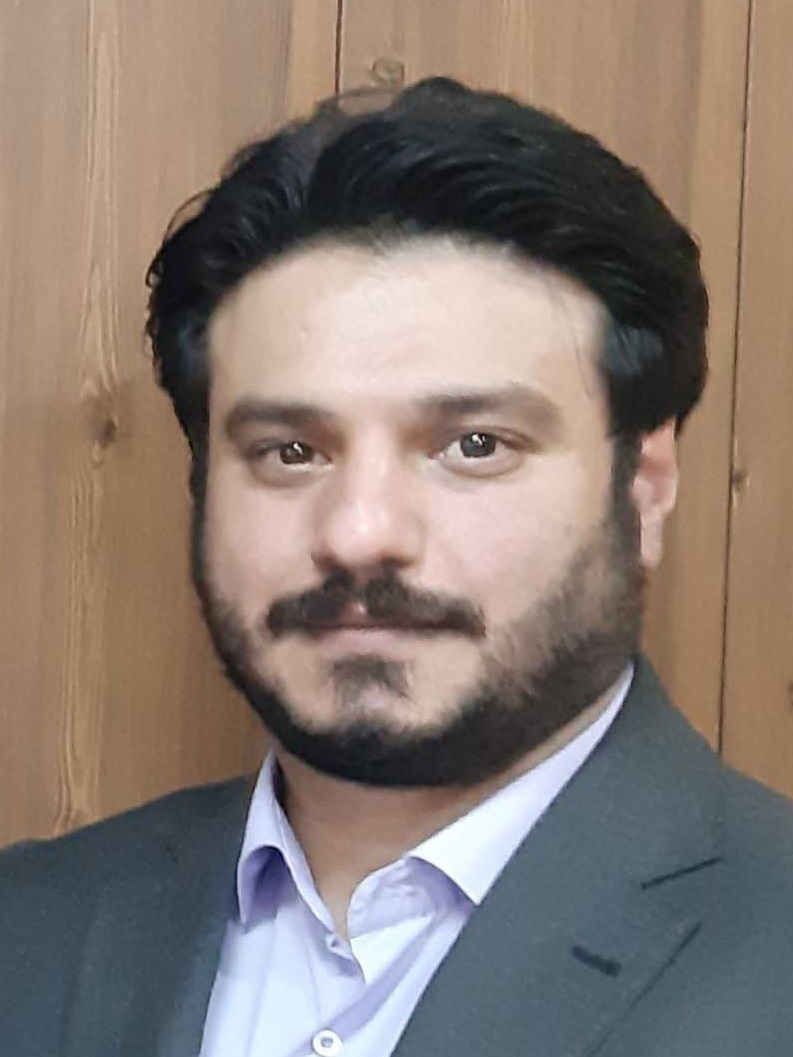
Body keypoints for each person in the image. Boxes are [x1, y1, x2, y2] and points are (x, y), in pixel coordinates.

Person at [1, 77, 792, 1057]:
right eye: (291, 451)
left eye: (472, 444)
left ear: (646, 485)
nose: (360, 532)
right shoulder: (27, 930)